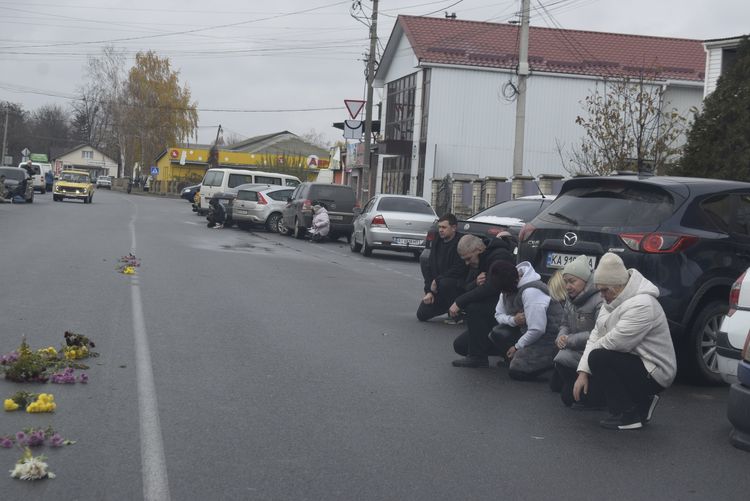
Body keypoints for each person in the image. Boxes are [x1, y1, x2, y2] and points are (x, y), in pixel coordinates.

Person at [573, 252, 676, 430]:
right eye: (600, 290)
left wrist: (588, 364)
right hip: (635, 362)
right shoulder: (612, 300)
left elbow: (615, 343)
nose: (602, 295)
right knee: (577, 394)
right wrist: (582, 372)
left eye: (604, 290)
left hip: (656, 371)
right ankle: (642, 401)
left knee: (598, 357)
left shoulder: (643, 304)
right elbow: (595, 336)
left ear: (619, 285)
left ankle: (627, 415)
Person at [486, 260, 563, 380]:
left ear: (515, 282)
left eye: (504, 291)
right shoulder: (505, 285)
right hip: (525, 331)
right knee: (496, 333)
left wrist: (517, 347)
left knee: (517, 371)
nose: (503, 294)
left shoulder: (531, 292)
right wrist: (513, 320)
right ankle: (518, 358)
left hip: (549, 338)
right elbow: (498, 314)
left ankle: (553, 367)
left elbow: (537, 329)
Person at [450, 234, 517, 368]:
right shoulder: (480, 260)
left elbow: (492, 287)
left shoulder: (500, 256)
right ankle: (503, 350)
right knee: (460, 346)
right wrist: (475, 282)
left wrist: (459, 302)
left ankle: (478, 357)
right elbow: (465, 286)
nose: (467, 263)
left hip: (509, 308)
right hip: (495, 308)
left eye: (468, 258)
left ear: (479, 250)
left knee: (475, 307)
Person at [550, 255, 603, 406]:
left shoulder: (599, 299)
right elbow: (564, 323)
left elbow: (598, 333)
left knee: (569, 397)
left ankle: (596, 395)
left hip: (592, 351)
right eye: (566, 281)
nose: (567, 286)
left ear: (585, 281)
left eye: (572, 281)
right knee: (564, 394)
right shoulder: (570, 298)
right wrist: (561, 336)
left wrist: (569, 340)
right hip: (574, 347)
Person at [417, 214, 467, 322]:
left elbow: (459, 268)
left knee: (445, 283)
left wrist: (437, 280)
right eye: (439, 227)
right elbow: (429, 268)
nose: (440, 230)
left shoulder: (460, 242)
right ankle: (447, 308)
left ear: (453, 228)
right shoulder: (437, 241)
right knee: (422, 314)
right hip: (438, 287)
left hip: (455, 286)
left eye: (444, 227)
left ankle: (458, 314)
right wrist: (429, 291)